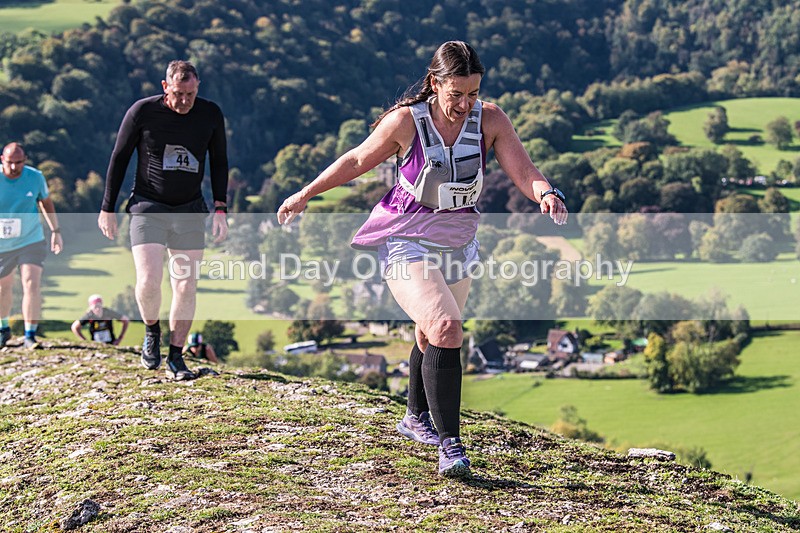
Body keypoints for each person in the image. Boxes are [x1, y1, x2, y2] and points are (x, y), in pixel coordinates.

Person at [278, 41, 568, 478]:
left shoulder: (490, 119)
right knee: (448, 328)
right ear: (436, 84)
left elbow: (524, 171)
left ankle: (414, 417)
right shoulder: (405, 123)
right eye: (456, 94)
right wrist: (306, 194)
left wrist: (546, 193)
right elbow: (357, 159)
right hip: (404, 237)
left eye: (473, 93)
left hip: (458, 241)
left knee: (430, 334)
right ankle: (450, 446)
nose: (465, 104)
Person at [97, 60, 229, 381]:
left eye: (191, 94)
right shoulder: (143, 112)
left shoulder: (210, 114)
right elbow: (119, 158)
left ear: (198, 88)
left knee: (185, 285)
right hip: (148, 206)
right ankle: (151, 332)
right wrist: (107, 207)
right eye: (179, 93)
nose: (185, 101)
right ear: (165, 86)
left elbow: (220, 161)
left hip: (189, 209)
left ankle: (176, 356)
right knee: (149, 280)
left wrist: (221, 207)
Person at [0, 142, 63, 349]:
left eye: (18, 163)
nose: (14, 167)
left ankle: (29, 335)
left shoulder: (35, 177)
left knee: (31, 283)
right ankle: (3, 328)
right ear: (2, 160)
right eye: (10, 163)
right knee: (3, 286)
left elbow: (46, 203)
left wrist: (55, 231)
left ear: (24, 161)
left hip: (30, 239)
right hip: (3, 243)